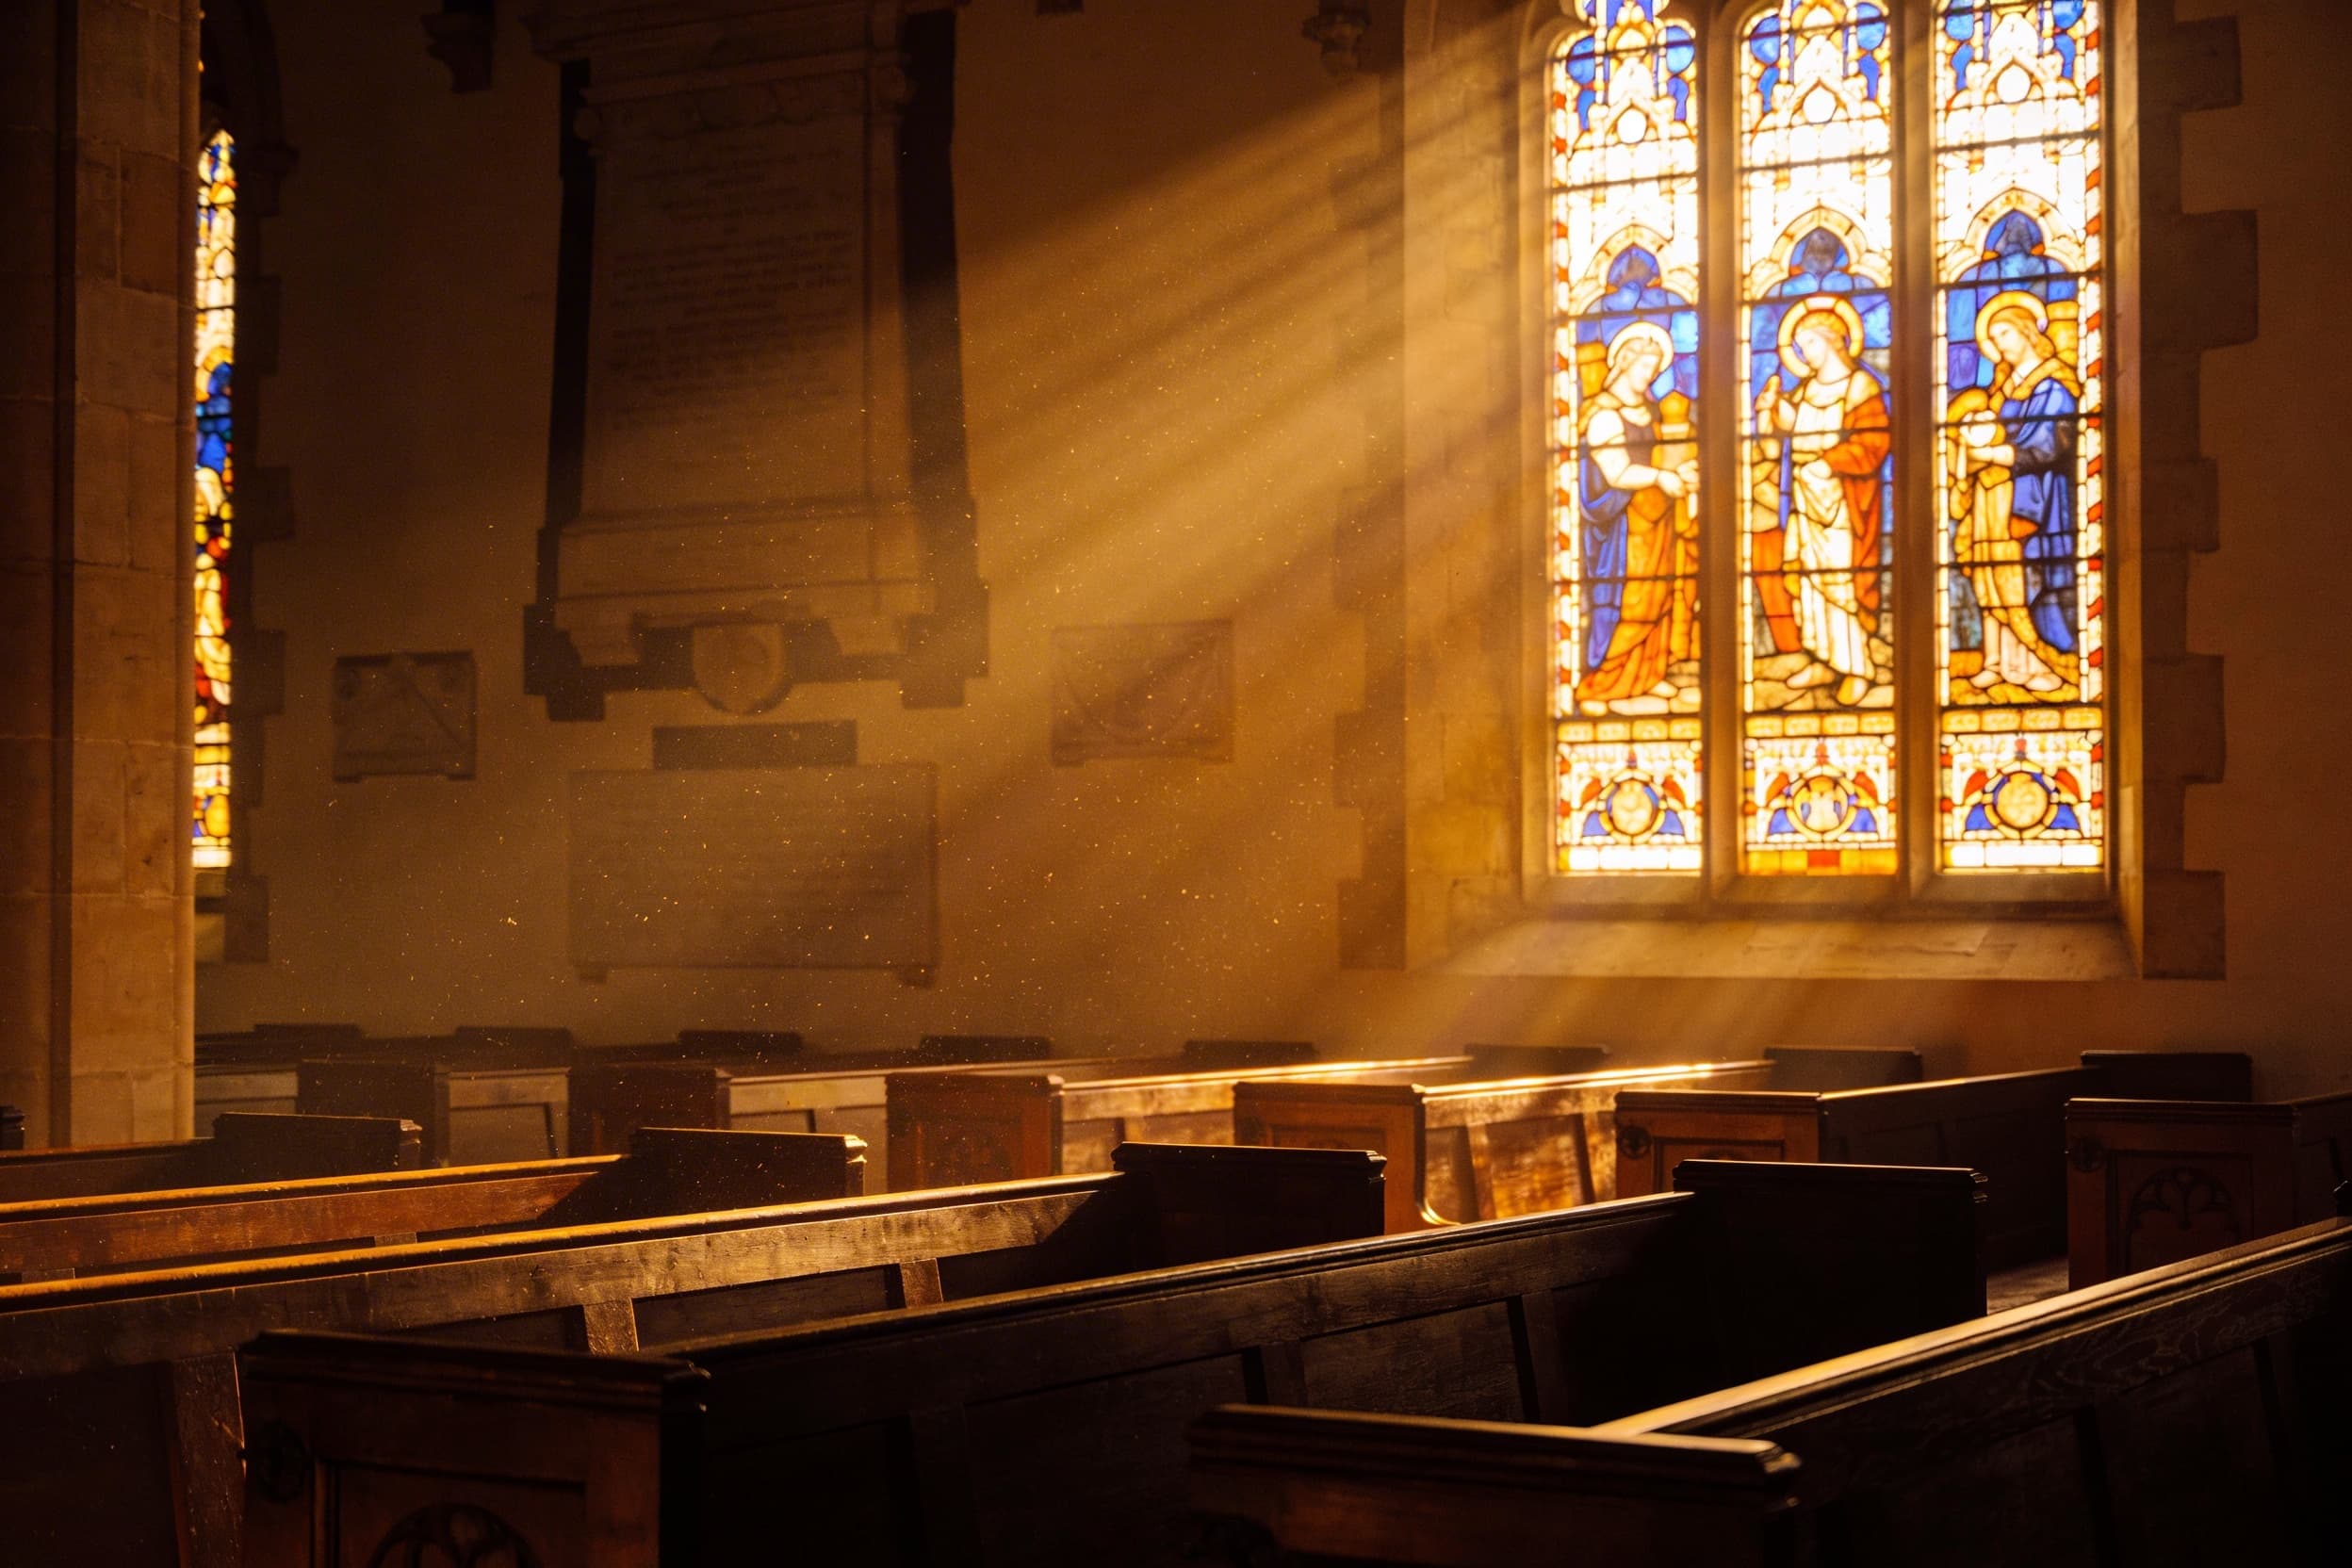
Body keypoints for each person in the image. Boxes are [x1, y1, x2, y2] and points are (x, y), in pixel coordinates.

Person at [1754, 299, 1889, 709]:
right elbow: (1794, 428)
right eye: (1798, 346)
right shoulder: (1809, 388)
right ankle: (1823, 657)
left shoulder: (1860, 387)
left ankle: (1857, 667)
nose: (1802, 353)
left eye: (1807, 344)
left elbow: (1874, 443)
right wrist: (1774, 408)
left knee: (1838, 583)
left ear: (1831, 340)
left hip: (1843, 503)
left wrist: (1830, 465)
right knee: (1810, 581)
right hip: (1805, 497)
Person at [1954, 294, 2080, 693]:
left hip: (2032, 499)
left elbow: (2049, 443)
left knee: (2019, 577)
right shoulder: (2003, 390)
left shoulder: (2053, 385)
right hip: (1992, 495)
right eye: (1993, 336)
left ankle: (2036, 663)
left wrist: (1990, 452)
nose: (1999, 343)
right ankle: (1996, 660)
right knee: (1989, 574)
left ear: (2027, 331)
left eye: (2004, 332)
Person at [1576, 321, 1699, 715]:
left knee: (1658, 593)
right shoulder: (1604, 416)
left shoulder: (1647, 411)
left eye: (1656, 368)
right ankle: (1610, 681)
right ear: (1624, 362)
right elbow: (1615, 473)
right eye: (1646, 367)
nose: (1652, 375)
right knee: (1632, 598)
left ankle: (1646, 672)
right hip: (1622, 527)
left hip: (1654, 515)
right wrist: (1663, 477)